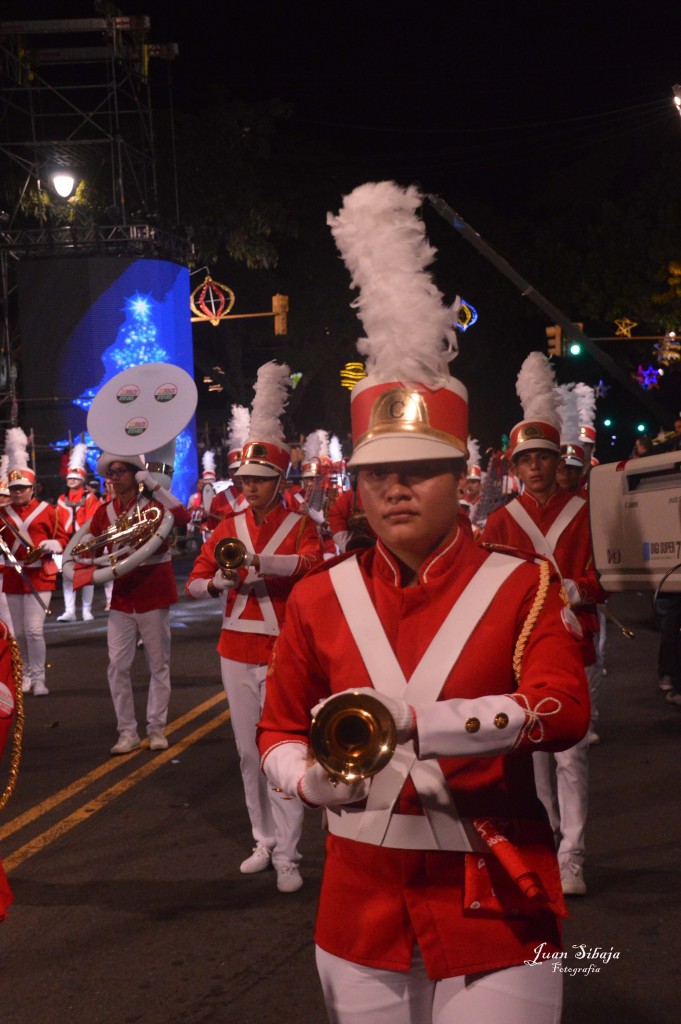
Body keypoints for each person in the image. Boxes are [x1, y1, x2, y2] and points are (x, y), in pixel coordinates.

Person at [257, 181, 590, 1023]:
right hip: (357, 908)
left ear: (461, 480)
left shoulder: (523, 584)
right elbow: (278, 728)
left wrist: (418, 724)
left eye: (419, 470)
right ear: (357, 485)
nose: (395, 488)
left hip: (498, 895)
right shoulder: (319, 598)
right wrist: (304, 780)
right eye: (376, 473)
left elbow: (564, 710)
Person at [187, 362, 325, 894]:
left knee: (283, 749)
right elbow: (194, 584)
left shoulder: (301, 526)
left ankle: (289, 853)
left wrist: (262, 563)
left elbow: (315, 565)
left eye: (260, 480)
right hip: (234, 648)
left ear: (279, 481)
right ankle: (263, 839)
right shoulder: (225, 525)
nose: (250, 487)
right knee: (247, 752)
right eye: (245, 479)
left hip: (284, 648)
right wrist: (220, 581)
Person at [482, 353, 606, 897]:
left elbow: (607, 573)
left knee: (571, 755)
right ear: (515, 464)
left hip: (577, 642)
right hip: (521, 650)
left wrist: (576, 589)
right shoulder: (500, 519)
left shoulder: (588, 510)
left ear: (559, 461)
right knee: (531, 753)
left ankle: (573, 852)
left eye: (544, 457)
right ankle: (548, 839)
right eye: (526, 458)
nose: (535, 467)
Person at [83, 454, 190, 754]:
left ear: (135, 475)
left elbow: (183, 518)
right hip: (122, 596)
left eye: (120, 472)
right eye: (111, 473)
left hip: (153, 591)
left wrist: (155, 487)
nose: (114, 478)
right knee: (117, 666)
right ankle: (127, 732)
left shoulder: (155, 506)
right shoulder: (105, 511)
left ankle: (156, 728)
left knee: (158, 664)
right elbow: (91, 546)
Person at [0, 428, 68, 696]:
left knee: (34, 630)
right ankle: (25, 674)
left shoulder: (48, 511)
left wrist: (55, 546)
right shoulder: (2, 513)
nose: (17, 493)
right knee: (17, 633)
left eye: (22, 489)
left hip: (40, 575)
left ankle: (39, 678)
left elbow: (62, 538)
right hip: (14, 574)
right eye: (13, 489)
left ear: (32, 488)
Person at [56, 443, 102, 622]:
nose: (72, 481)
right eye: (70, 478)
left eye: (75, 478)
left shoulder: (90, 498)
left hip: (84, 541)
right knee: (67, 576)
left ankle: (86, 610)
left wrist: (87, 539)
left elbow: (93, 521)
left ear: (82, 480)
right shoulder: (62, 499)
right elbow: (58, 521)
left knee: (86, 574)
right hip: (66, 540)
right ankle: (69, 611)